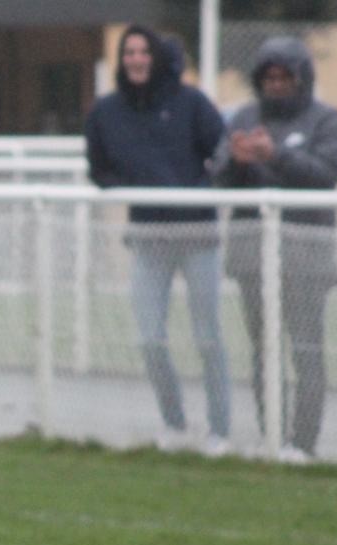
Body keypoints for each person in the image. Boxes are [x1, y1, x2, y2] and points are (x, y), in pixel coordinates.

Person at [84, 25, 231, 456]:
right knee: (150, 337)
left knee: (207, 337)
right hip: (148, 237)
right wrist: (132, 187)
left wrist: (199, 188)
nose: (136, 59)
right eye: (128, 52)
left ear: (157, 57)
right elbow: (99, 167)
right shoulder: (106, 112)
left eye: (143, 51)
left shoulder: (191, 102)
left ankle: (219, 429)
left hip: (197, 235)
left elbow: (221, 151)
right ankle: (174, 423)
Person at [210, 37, 337, 464]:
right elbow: (219, 176)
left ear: (301, 79)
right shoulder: (244, 117)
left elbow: (326, 173)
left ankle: (302, 443)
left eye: (284, 77)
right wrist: (237, 162)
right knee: (263, 351)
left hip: (306, 257)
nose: (276, 84)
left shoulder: (326, 120)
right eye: (269, 77)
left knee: (306, 350)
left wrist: (276, 156)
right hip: (253, 256)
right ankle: (271, 435)